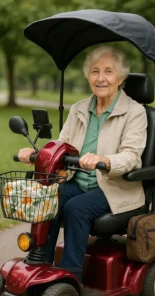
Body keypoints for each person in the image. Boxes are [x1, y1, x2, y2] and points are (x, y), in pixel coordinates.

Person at [18, 45, 147, 283]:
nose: (101, 78)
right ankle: (40, 266)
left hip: (113, 187)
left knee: (76, 208)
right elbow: (62, 143)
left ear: (121, 77)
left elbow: (131, 156)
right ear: (88, 76)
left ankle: (70, 278)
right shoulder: (79, 108)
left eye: (108, 71)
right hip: (78, 181)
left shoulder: (135, 112)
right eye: (95, 71)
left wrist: (104, 160)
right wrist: (35, 153)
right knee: (49, 198)